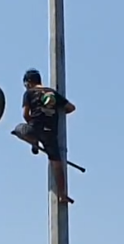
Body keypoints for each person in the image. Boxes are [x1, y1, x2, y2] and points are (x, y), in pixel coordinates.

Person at [11, 68, 77, 203]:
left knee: (17, 129)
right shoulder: (52, 93)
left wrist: (34, 122)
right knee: (57, 163)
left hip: (35, 128)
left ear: (28, 82)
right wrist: (55, 113)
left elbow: (25, 114)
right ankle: (62, 194)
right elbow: (71, 108)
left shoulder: (29, 93)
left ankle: (34, 141)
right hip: (50, 132)